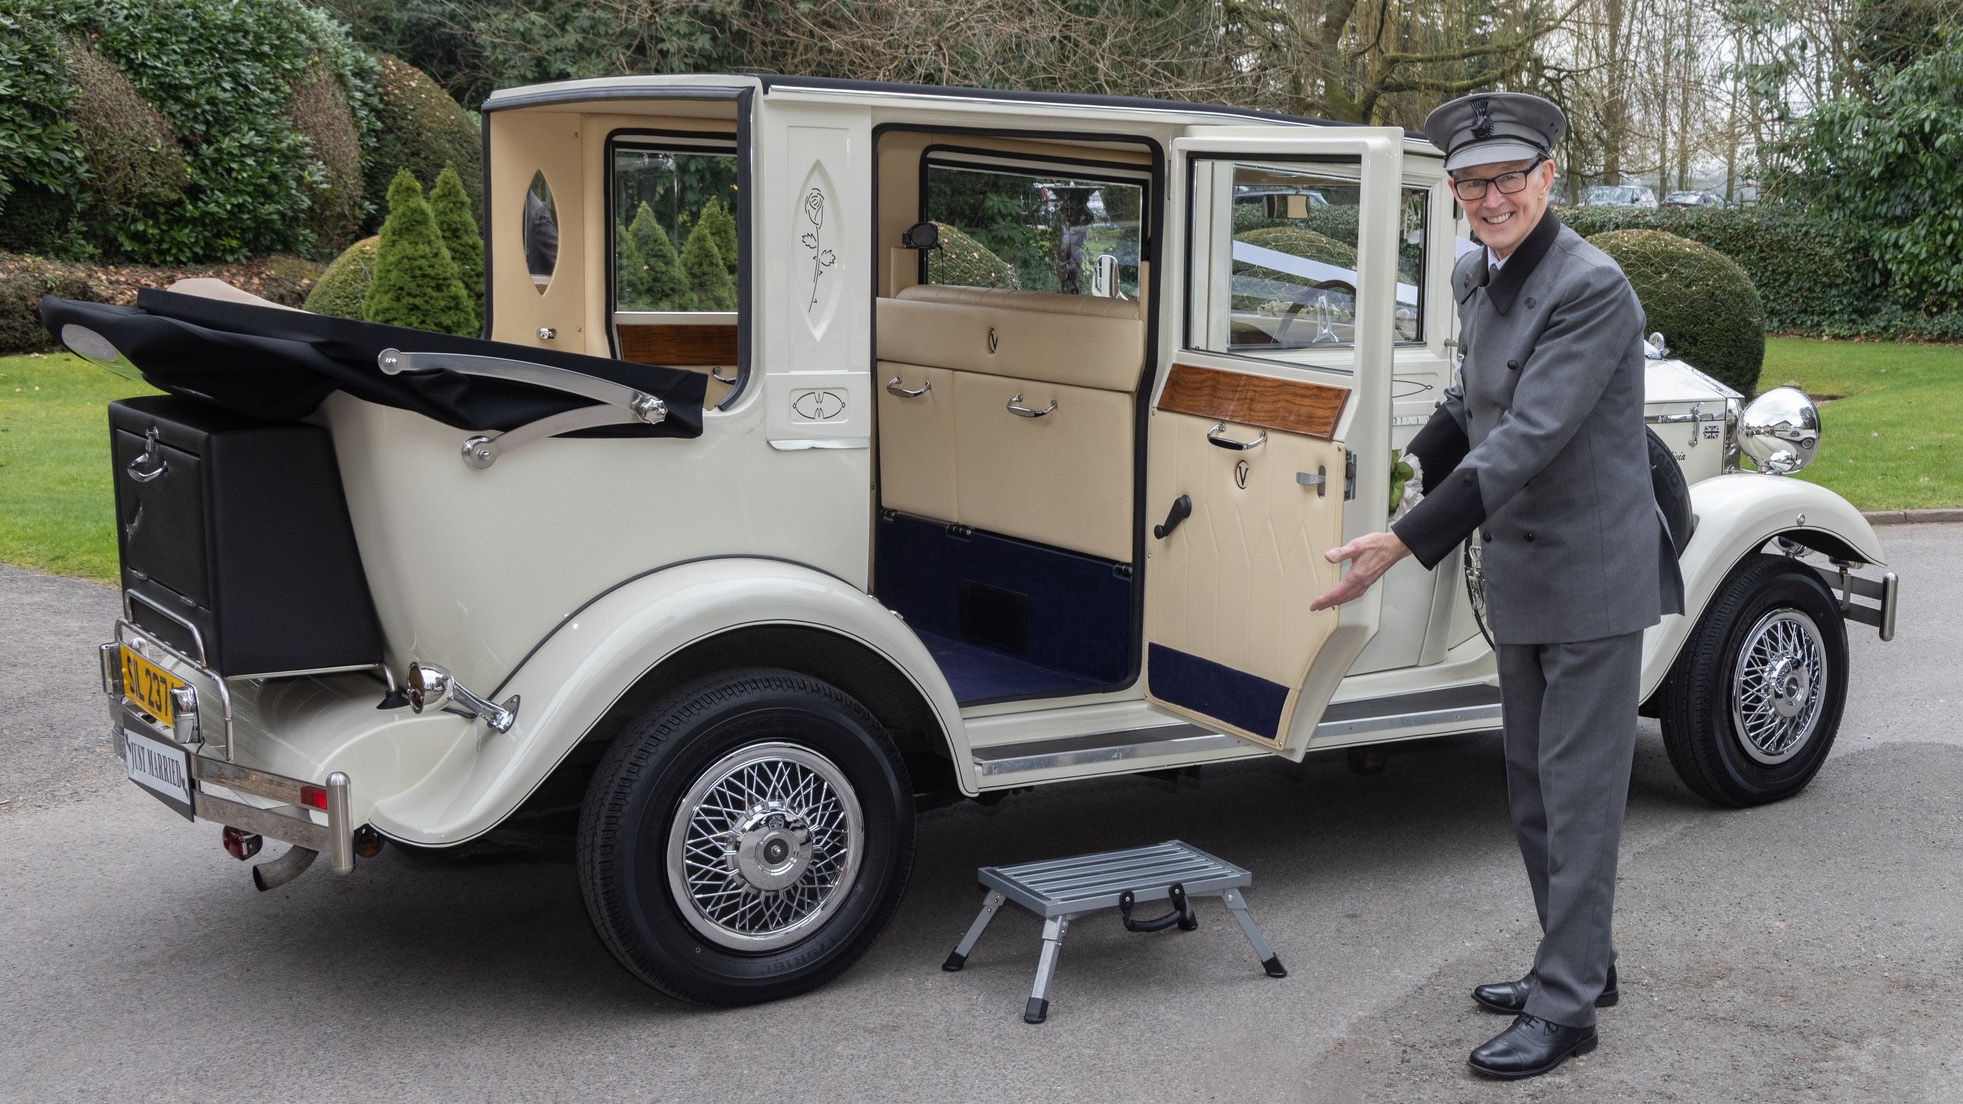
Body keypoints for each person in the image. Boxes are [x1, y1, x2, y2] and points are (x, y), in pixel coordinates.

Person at [1309, 91, 1684, 1080]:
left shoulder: (1590, 286)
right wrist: (1401, 470)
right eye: (1471, 184)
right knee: (1531, 790)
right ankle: (1582, 962)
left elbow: (1528, 436)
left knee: (1578, 796)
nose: (1489, 199)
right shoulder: (1476, 272)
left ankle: (1566, 1009)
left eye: (1506, 179)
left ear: (1546, 177)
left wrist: (1402, 539)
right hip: (1518, 565)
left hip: (1591, 577)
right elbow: (1466, 403)